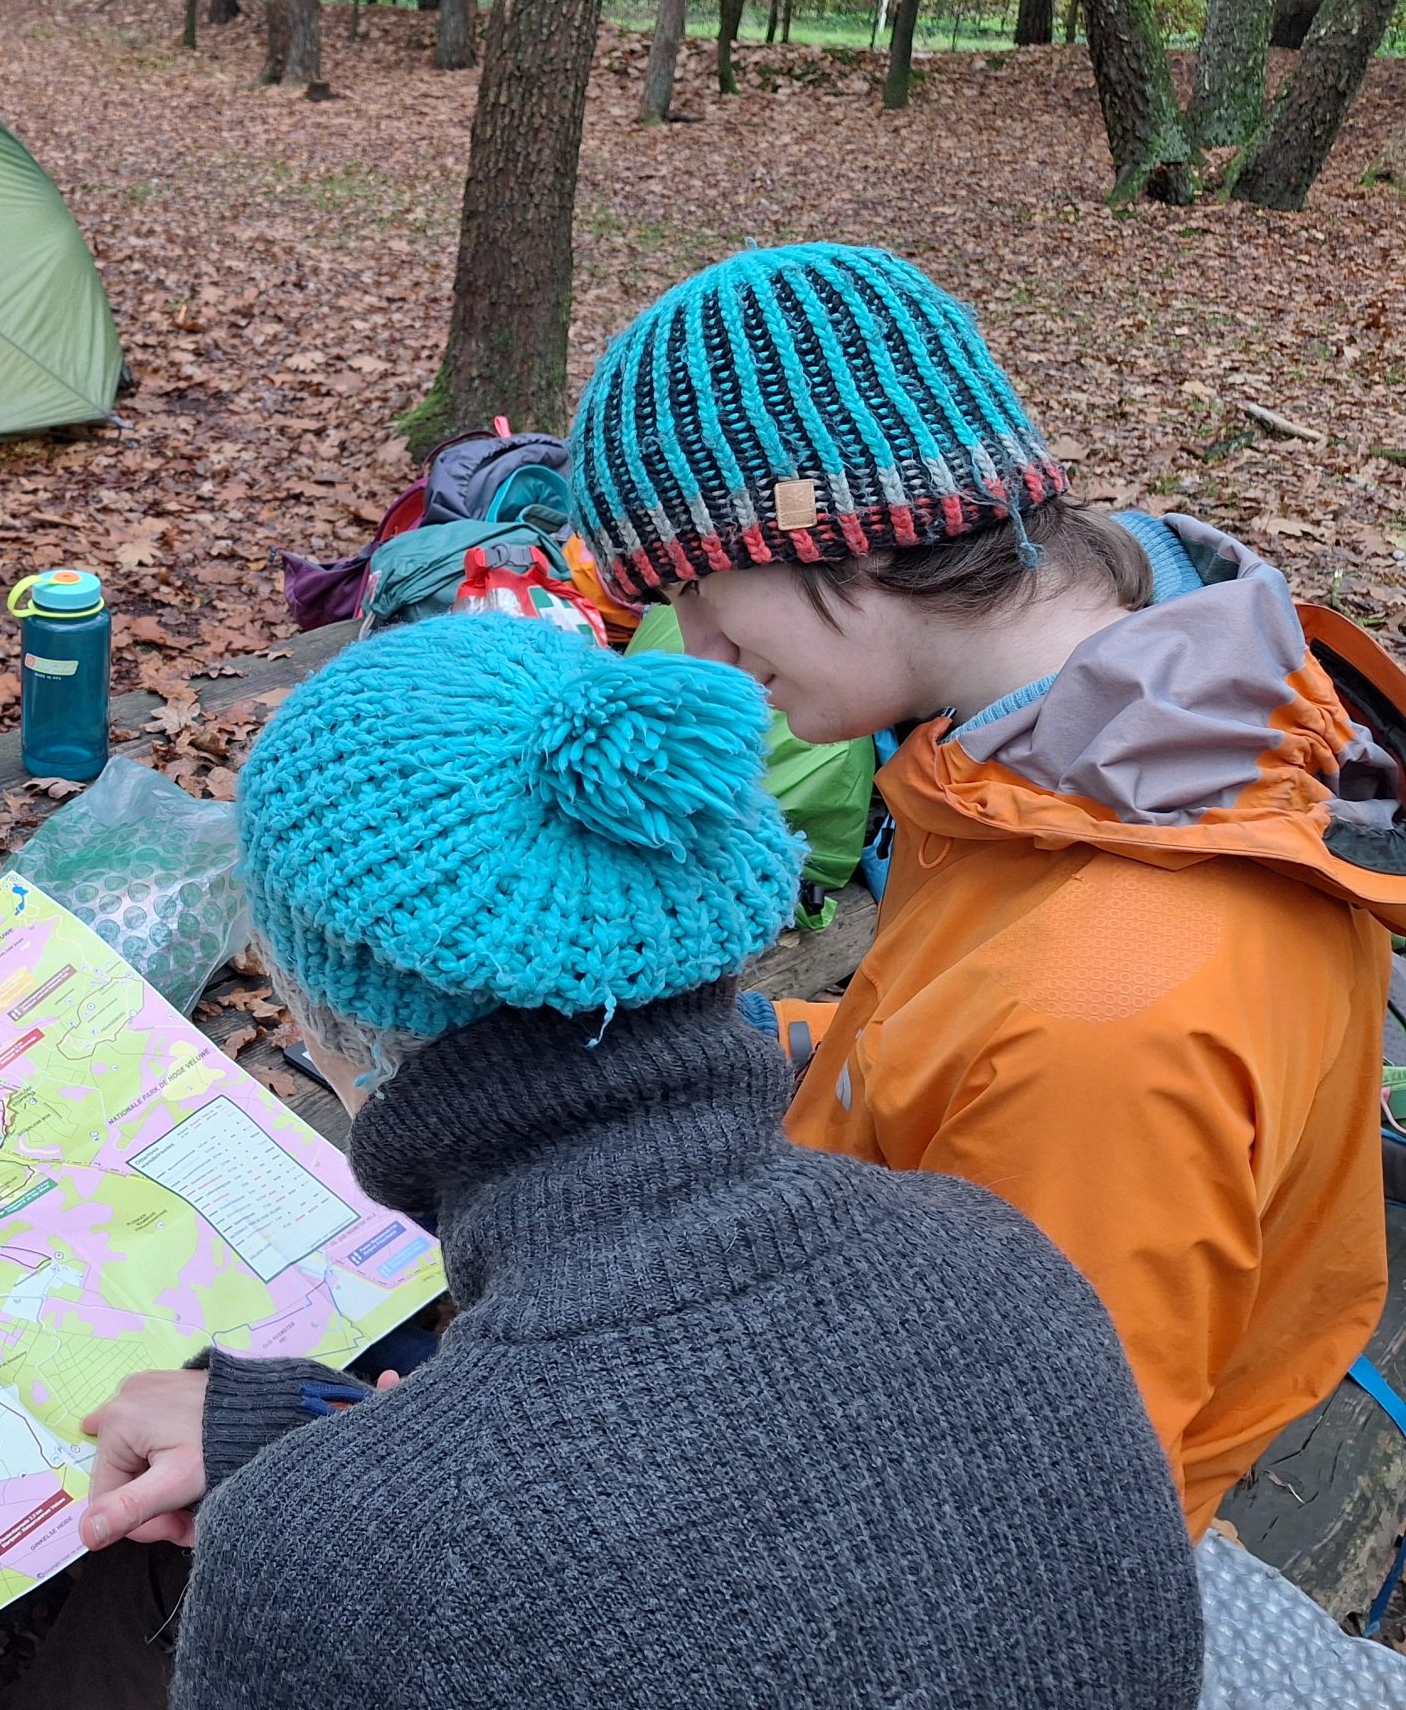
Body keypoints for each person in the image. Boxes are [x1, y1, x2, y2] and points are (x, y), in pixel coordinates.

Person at [83, 613, 1203, 1708]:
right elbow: (736, 1517)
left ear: (328, 1003)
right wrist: (316, 1456)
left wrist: (318, 1513)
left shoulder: (326, 1566)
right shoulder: (993, 1254)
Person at [561, 241, 1406, 1681]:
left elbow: (1019, 1530)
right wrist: (732, 1051)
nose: (694, 649)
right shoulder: (1111, 731)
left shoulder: (1113, 1010)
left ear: (843, 529)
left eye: (699, 586)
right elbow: (948, 1031)